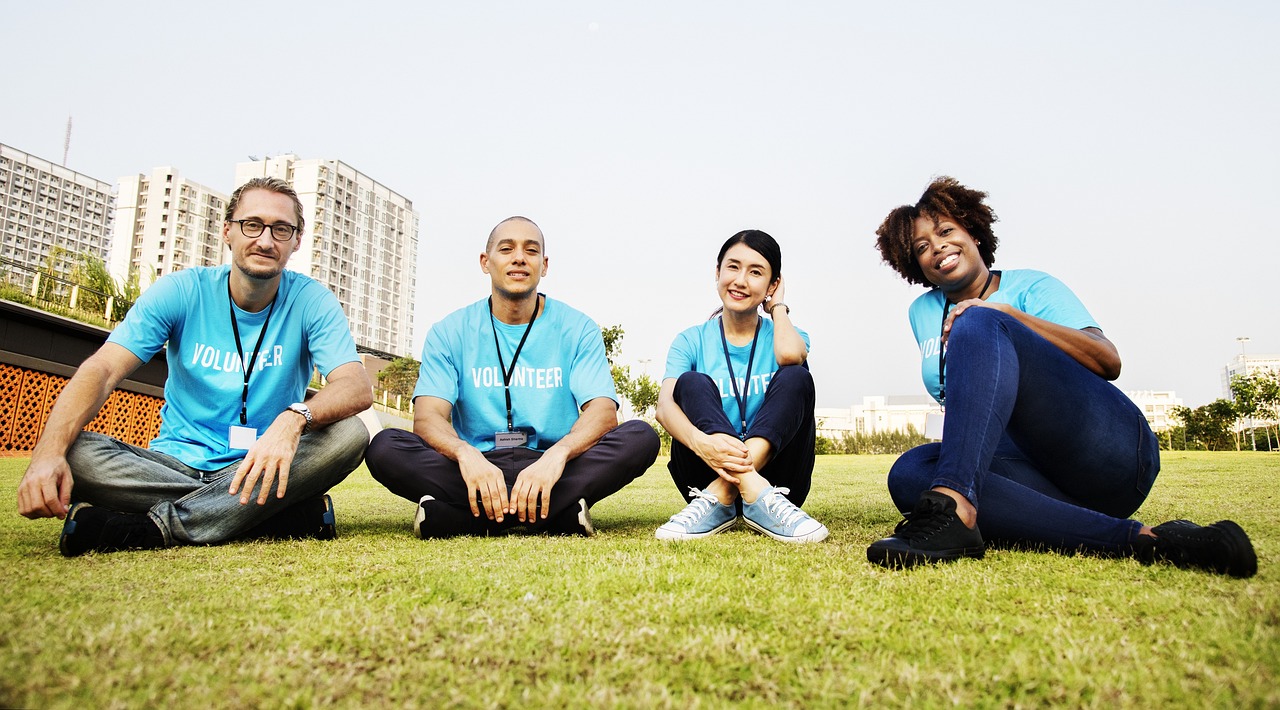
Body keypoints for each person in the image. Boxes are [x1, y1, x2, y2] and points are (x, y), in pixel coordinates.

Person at [866, 176, 1256, 576]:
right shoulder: (921, 313)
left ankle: (955, 509)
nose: (938, 247)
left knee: (978, 319)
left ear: (974, 234)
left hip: (1104, 454)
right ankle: (1146, 540)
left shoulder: (1032, 286)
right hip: (1032, 479)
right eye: (922, 247)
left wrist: (1007, 315)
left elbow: (1108, 361)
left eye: (947, 231)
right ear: (915, 265)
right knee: (910, 473)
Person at [17, 177, 374, 556]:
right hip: (169, 466)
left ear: (296, 241)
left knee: (350, 434)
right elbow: (103, 369)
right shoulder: (182, 290)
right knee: (74, 451)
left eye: (281, 229)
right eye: (252, 225)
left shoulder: (311, 301)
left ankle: (152, 528)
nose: (266, 241)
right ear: (227, 231)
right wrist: (47, 455)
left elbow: (355, 385)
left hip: (260, 466)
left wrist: (292, 419)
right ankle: (264, 518)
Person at [365, 216, 659, 537]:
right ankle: (557, 516)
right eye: (506, 249)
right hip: (477, 465)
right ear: (485, 262)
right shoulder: (449, 331)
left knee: (640, 437)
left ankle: (460, 519)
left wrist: (557, 456)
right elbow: (428, 418)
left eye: (531, 251)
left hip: (553, 467)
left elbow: (602, 412)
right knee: (384, 447)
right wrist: (466, 454)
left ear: (543, 265)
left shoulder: (578, 328)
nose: (519, 257)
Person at [654, 230, 828, 543]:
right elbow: (664, 408)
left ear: (773, 285)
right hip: (704, 470)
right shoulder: (690, 340)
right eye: (732, 267)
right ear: (717, 272)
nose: (741, 280)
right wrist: (701, 443)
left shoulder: (787, 335)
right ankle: (726, 493)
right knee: (691, 382)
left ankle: (728, 493)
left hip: (778, 482)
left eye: (756, 272)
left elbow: (790, 356)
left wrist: (778, 307)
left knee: (796, 375)